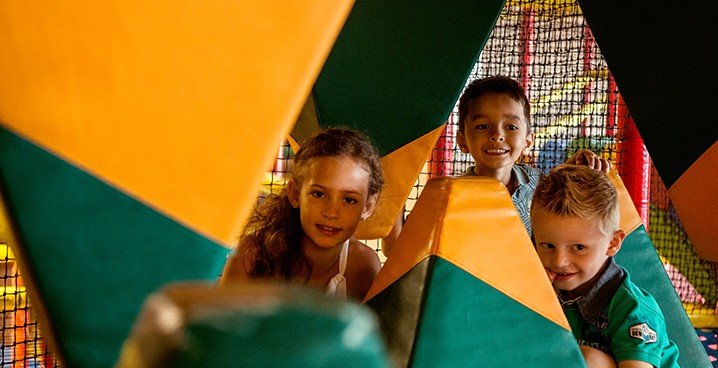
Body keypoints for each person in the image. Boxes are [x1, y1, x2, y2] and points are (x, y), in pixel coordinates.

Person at [382, 75, 610, 256]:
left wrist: (573, 172)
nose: (497, 135)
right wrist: (394, 193)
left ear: (528, 141)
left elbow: (568, 222)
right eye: (482, 126)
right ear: (462, 141)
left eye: (511, 127)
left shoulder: (540, 186)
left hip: (535, 299)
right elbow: (397, 252)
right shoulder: (446, 197)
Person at [531, 165, 679, 368]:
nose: (559, 261)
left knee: (587, 359)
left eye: (579, 247)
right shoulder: (537, 289)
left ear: (613, 243)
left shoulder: (631, 308)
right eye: (548, 245)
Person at [219, 127, 384, 301]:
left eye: (349, 200)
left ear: (368, 206)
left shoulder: (363, 267)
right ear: (295, 193)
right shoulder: (253, 255)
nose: (331, 212)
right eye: (319, 194)